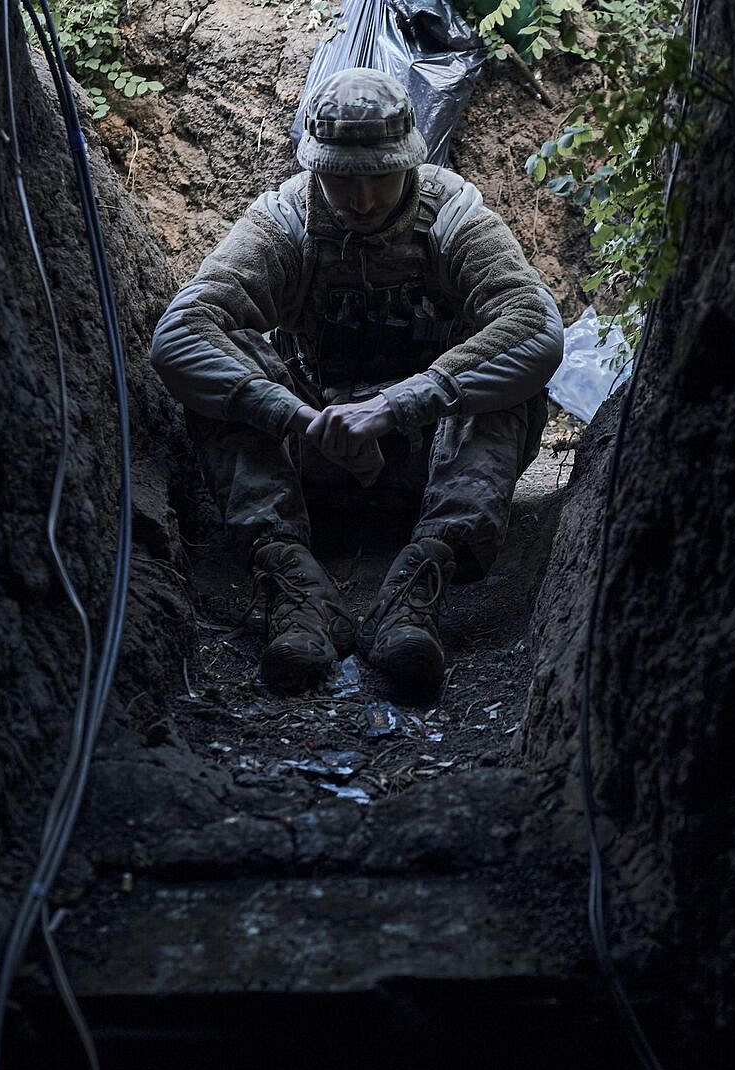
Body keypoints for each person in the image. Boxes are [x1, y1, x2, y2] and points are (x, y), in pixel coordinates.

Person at [149, 68, 563, 692]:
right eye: (342, 178)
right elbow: (181, 332)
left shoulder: (455, 218)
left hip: (424, 455)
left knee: (507, 385)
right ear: (316, 167)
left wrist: (401, 404)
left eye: (379, 175)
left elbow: (534, 325)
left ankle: (420, 585)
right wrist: (298, 418)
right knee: (223, 369)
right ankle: (294, 589)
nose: (362, 198)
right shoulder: (286, 221)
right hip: (314, 452)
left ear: (410, 164)